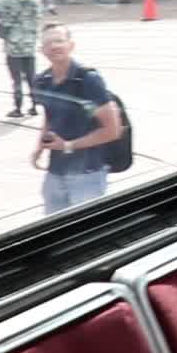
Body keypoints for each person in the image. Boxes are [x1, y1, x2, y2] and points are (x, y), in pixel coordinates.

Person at [29, 23, 122, 215]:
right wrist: (40, 147)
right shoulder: (42, 81)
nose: (54, 46)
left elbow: (113, 129)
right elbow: (49, 116)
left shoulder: (87, 80)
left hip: (88, 173)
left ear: (71, 45)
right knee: (53, 231)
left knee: (86, 234)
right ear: (41, 50)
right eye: (48, 43)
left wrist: (68, 145)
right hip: (55, 172)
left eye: (59, 41)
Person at [0, 0, 43, 118]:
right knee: (31, 77)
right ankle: (34, 106)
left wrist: (3, 32)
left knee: (17, 79)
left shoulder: (4, 0)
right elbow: (39, 18)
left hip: (13, 46)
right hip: (30, 44)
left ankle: (18, 108)